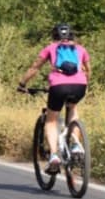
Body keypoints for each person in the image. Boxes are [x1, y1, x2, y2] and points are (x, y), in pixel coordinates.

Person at [18, 23, 91, 174]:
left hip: (58, 86)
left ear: (54, 36)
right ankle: (76, 146)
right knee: (72, 108)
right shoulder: (81, 49)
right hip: (79, 86)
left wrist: (22, 83)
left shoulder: (50, 48)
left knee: (51, 120)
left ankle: (54, 156)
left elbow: (35, 67)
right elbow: (88, 70)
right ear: (72, 35)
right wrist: (84, 84)